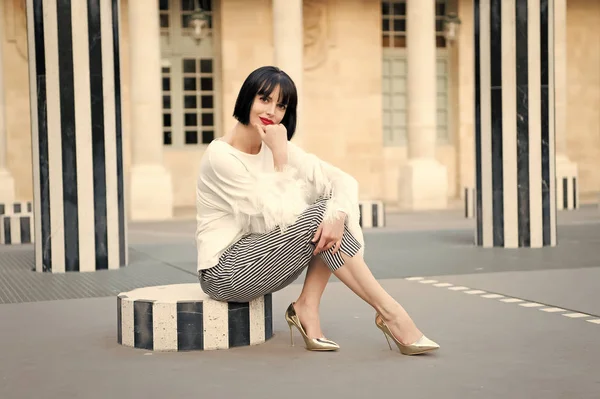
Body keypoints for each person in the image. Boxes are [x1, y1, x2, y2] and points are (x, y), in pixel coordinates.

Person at [195, 66, 439, 355]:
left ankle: (307, 307)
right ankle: (391, 313)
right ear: (247, 98)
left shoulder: (274, 145)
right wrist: (280, 156)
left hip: (266, 259)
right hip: (225, 272)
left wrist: (337, 216)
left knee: (331, 212)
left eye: (281, 105)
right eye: (264, 99)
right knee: (320, 215)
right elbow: (279, 216)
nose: (272, 111)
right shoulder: (220, 156)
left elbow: (342, 181)